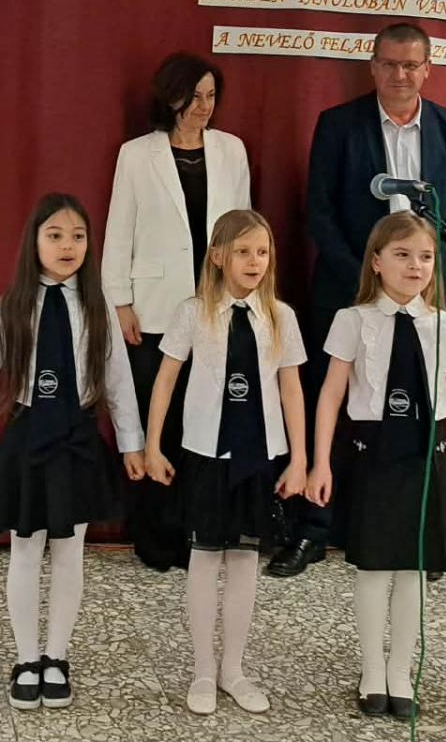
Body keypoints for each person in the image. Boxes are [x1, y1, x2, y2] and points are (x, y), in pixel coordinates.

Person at [306, 212, 446, 721]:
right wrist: (320, 462)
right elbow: (331, 393)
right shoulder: (353, 319)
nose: (416, 266)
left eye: (426, 257)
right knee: (374, 569)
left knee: (412, 572)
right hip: (374, 454)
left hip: (425, 454)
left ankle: (400, 670)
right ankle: (371, 669)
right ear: (377, 262)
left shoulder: (443, 325)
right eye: (403, 255)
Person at [0, 194, 147, 711]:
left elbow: (118, 380)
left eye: (78, 236)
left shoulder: (97, 306)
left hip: (77, 438)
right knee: (25, 551)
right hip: (28, 440)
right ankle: (26, 658)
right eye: (55, 235)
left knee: (70, 552)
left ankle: (56, 656)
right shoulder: (13, 305)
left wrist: (132, 444)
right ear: (34, 243)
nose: (68, 246)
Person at [280, 21, 446, 578]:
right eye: (389, 64)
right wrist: (369, 283)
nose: (400, 74)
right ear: (372, 66)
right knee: (330, 402)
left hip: (422, 299)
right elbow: (320, 211)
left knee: (416, 414)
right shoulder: (338, 125)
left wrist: (421, 281)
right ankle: (314, 529)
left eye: (411, 65)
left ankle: (419, 535)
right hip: (349, 292)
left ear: (428, 69)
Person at [141, 210, 307, 715]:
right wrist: (153, 446)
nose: (254, 261)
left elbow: (291, 389)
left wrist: (300, 458)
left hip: (258, 456)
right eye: (242, 251)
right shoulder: (193, 313)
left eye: (262, 252)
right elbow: (166, 380)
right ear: (217, 256)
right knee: (205, 557)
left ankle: (233, 669)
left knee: (245, 561)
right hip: (207, 455)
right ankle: (203, 670)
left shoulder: (280, 316)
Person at [105, 53, 252, 570]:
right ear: (169, 98)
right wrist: (120, 301)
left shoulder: (231, 150)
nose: (203, 107)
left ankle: (202, 533)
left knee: (206, 422)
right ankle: (157, 536)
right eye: (193, 97)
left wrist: (242, 293)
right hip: (153, 310)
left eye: (211, 96)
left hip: (215, 307)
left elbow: (244, 229)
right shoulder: (136, 155)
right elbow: (119, 229)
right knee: (158, 422)